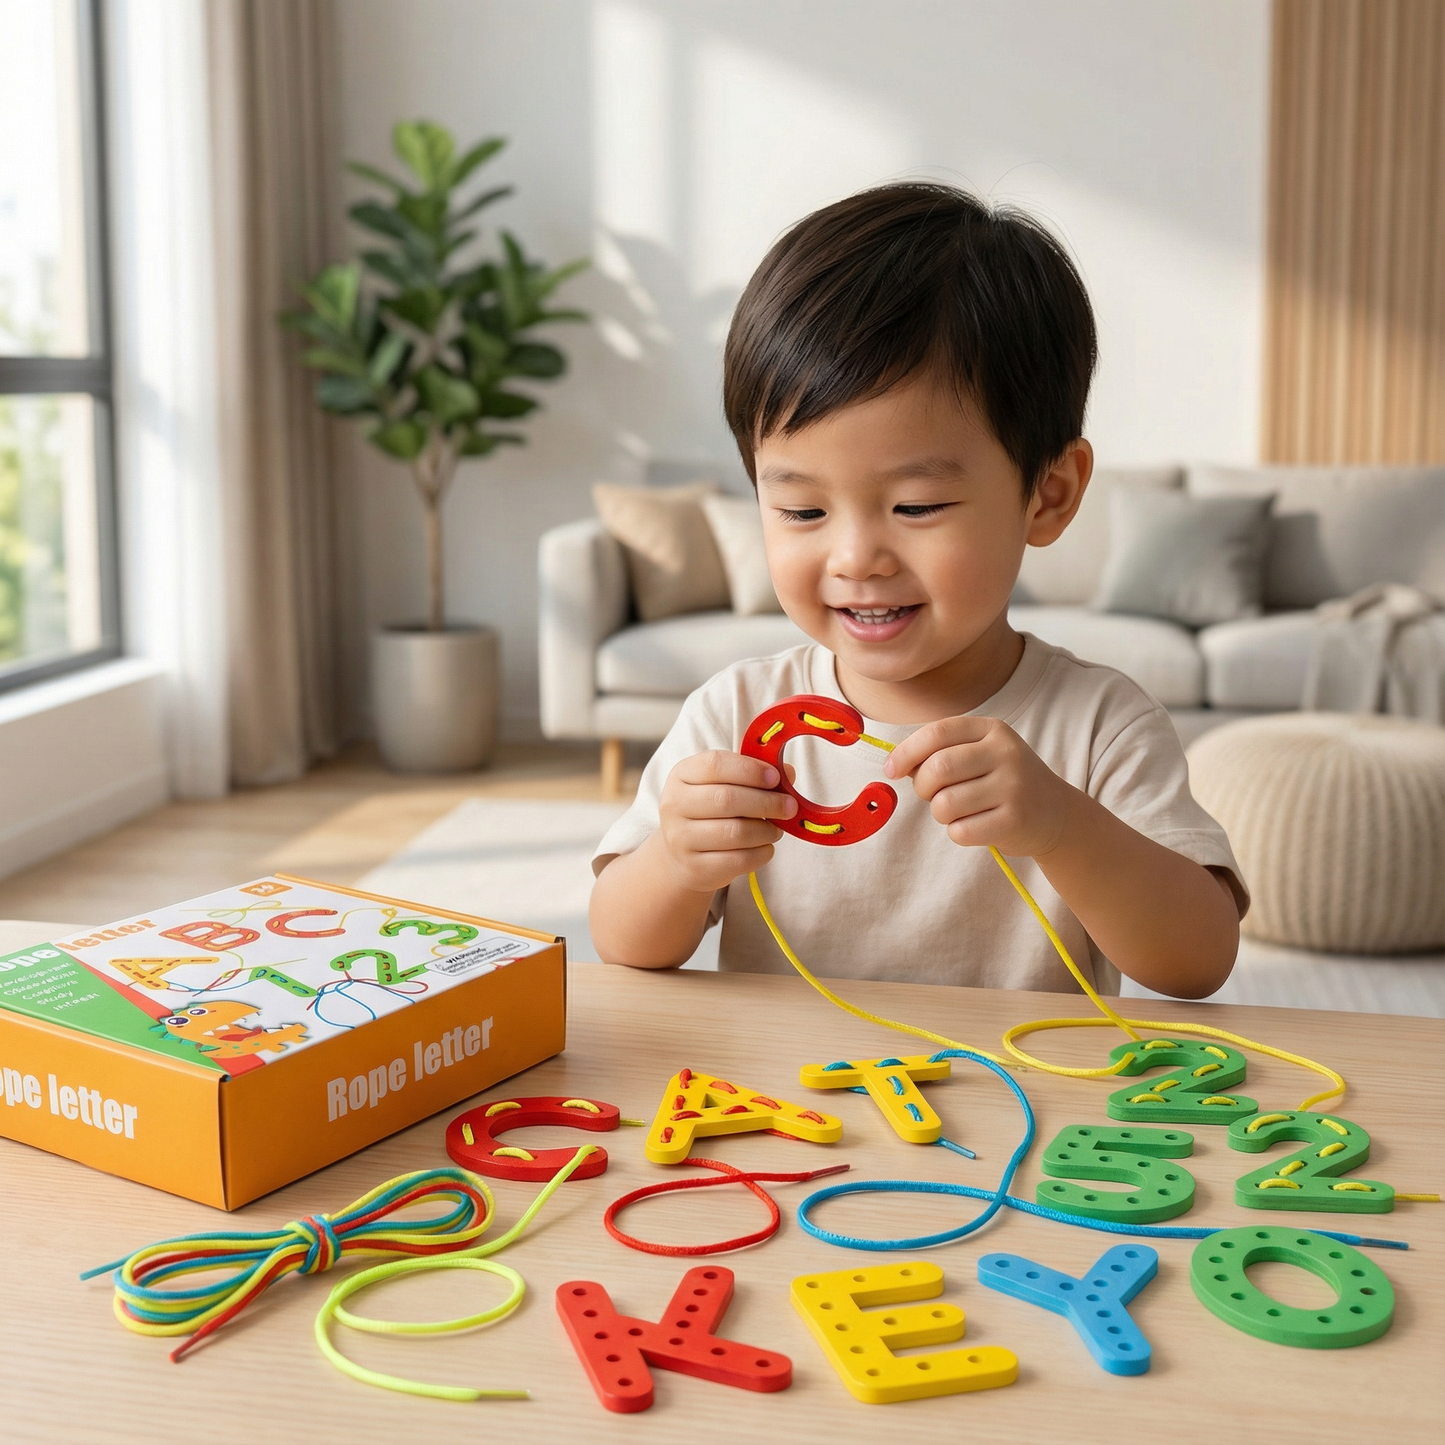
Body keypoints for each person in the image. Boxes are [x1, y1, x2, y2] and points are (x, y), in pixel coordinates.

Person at [589, 183, 1245, 1000]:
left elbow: (1197, 961)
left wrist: (1060, 823)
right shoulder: (734, 714)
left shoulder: (1098, 728)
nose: (856, 555)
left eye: (916, 506)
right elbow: (621, 943)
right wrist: (675, 862)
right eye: (800, 508)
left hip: (1021, 1112)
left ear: (1047, 495)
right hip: (790, 1115)